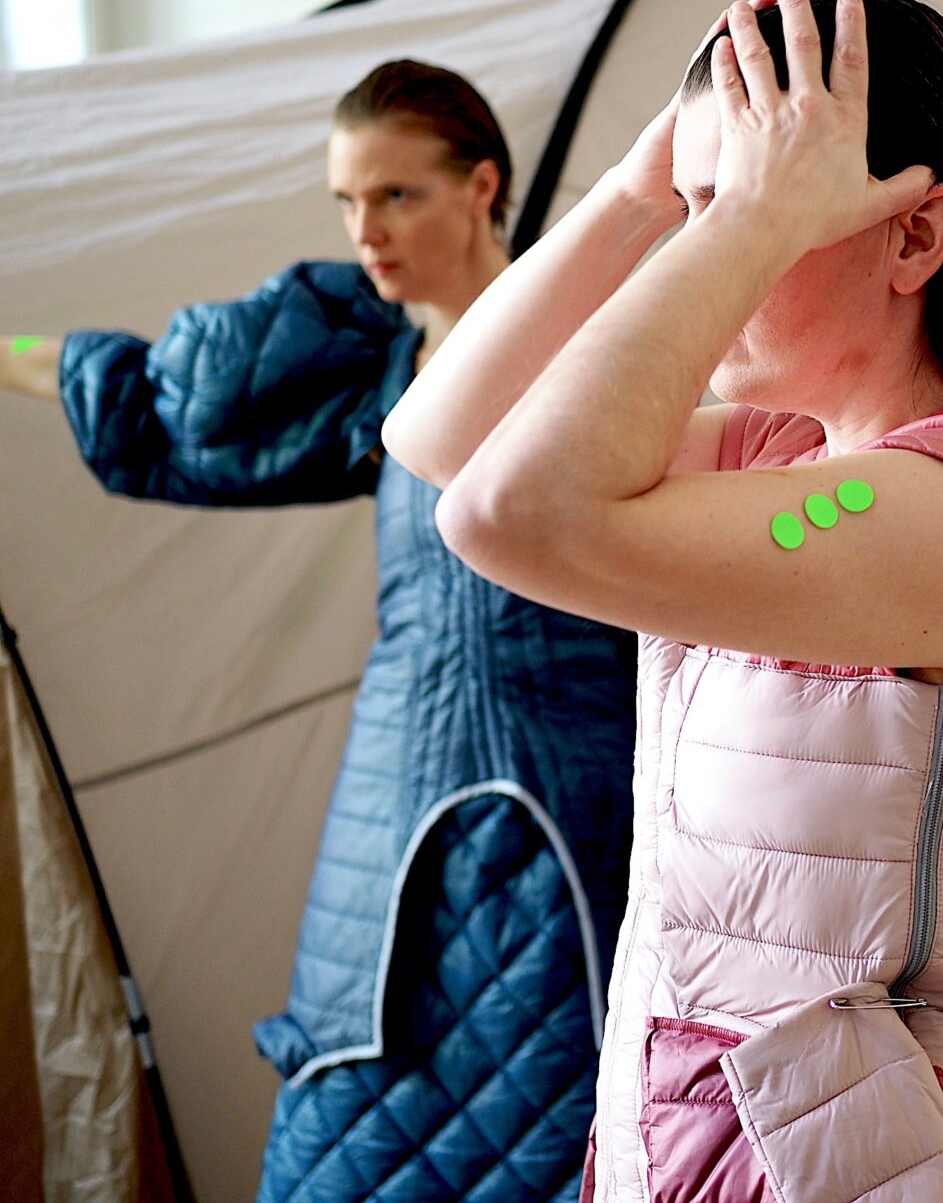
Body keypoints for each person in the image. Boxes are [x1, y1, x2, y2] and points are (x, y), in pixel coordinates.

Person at [379, 0, 943, 1202]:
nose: (708, 243)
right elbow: (444, 438)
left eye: (754, 209)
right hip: (716, 1152)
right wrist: (641, 190)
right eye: (704, 211)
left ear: (914, 237)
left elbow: (508, 514)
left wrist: (738, 215)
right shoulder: (795, 453)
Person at [1, 60, 639, 1203]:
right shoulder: (376, 372)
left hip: (574, 805)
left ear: (481, 185)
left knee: (574, 1112)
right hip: (393, 808)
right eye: (348, 204)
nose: (368, 234)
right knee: (343, 1135)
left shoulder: (605, 343)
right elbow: (161, 401)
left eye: (396, 196)